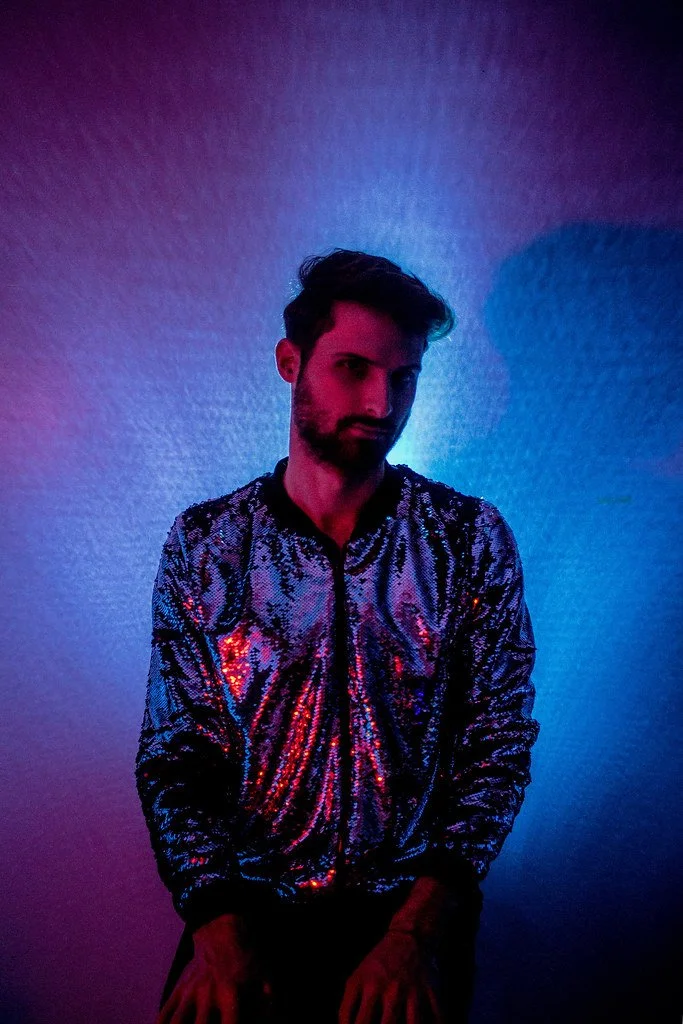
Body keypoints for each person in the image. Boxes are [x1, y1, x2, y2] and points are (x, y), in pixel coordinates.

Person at [135, 249, 539, 1023]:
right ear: (292, 363)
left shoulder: (466, 538)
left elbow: (497, 745)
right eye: (353, 367)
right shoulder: (207, 544)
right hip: (243, 916)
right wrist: (217, 928)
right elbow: (173, 755)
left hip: (408, 919)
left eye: (405, 376)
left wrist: (419, 933)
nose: (382, 401)